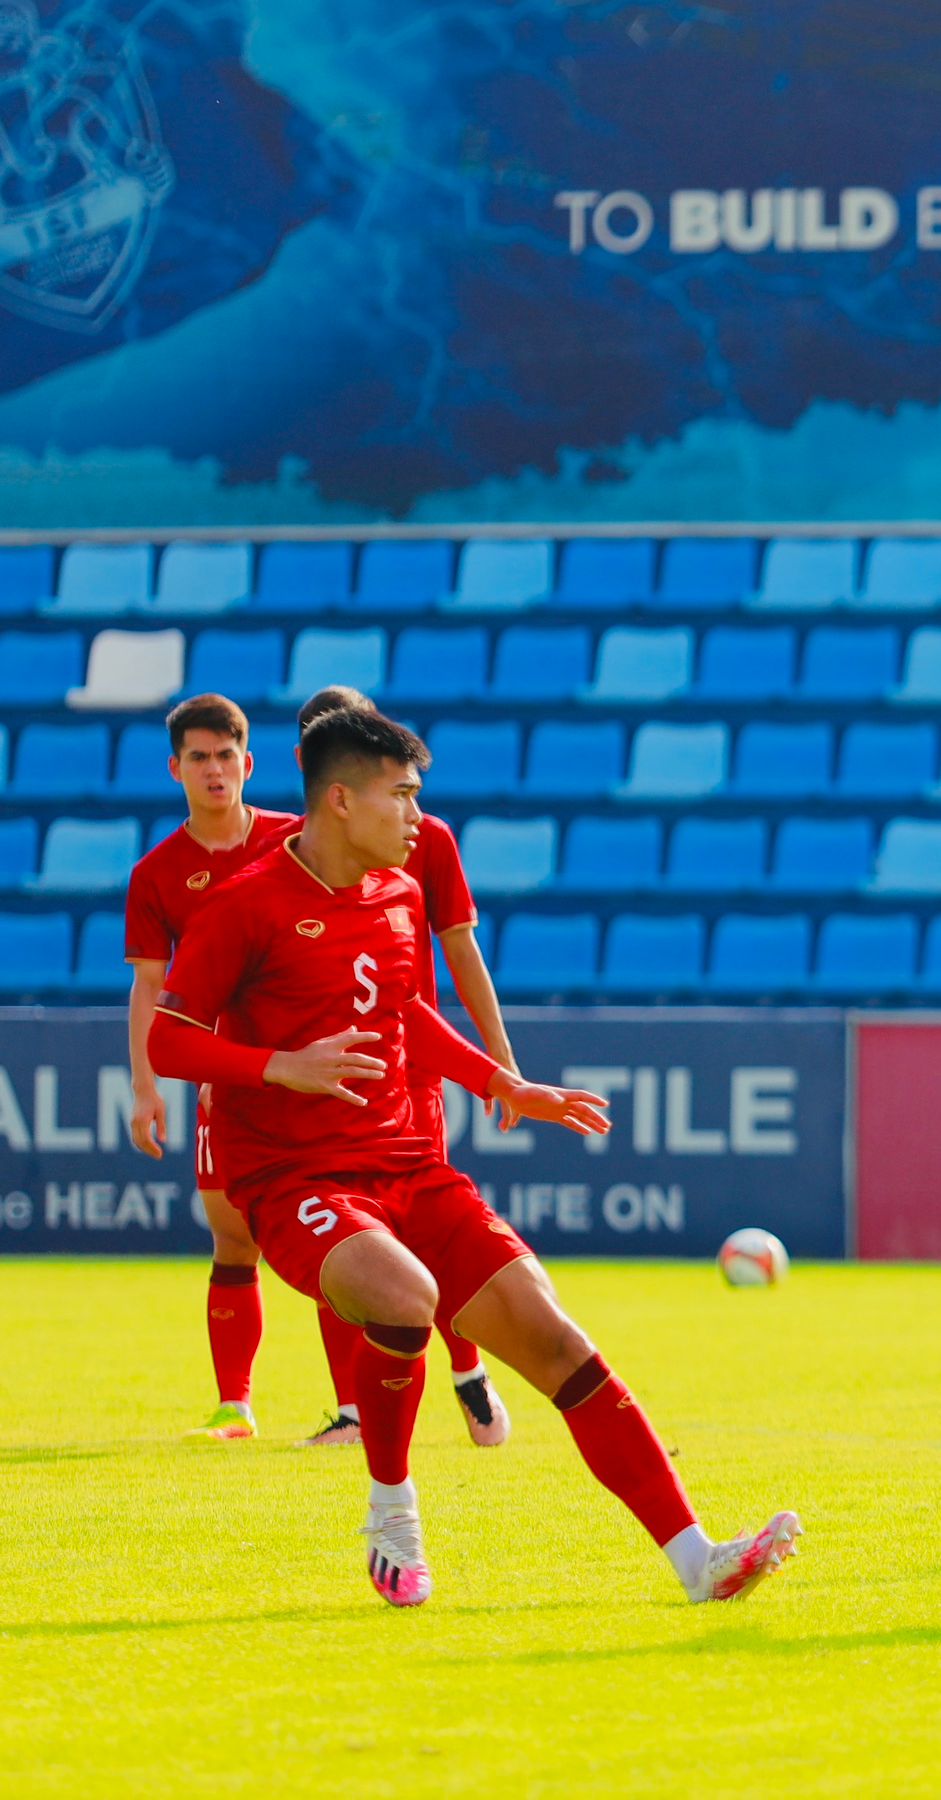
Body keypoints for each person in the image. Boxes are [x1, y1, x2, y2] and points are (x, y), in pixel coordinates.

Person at [150, 703, 800, 1608]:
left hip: (410, 1166)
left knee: (555, 1335)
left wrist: (500, 1081)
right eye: (403, 797)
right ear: (340, 801)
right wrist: (278, 1066)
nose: (418, 818)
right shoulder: (243, 904)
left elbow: (407, 1013)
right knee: (405, 1296)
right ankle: (391, 1510)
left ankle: (699, 1559)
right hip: (297, 1178)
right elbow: (169, 1043)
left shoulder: (398, 893)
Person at [291, 686, 517, 1452]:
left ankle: (466, 1366)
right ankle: (355, 1411)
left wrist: (499, 1063)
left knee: (422, 1231)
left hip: (407, 1065)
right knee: (337, 1230)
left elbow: (460, 949)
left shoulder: (428, 837)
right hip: (329, 1069)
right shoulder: (293, 854)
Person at [125, 693, 299, 1440]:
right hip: (221, 1076)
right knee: (233, 1236)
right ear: (176, 769)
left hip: (308, 1062)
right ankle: (235, 1405)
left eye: (226, 755)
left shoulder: (296, 842)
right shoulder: (158, 873)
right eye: (198, 757)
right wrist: (144, 1087)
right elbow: (150, 987)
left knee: (349, 1232)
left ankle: (358, 1410)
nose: (214, 769)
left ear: (248, 763)